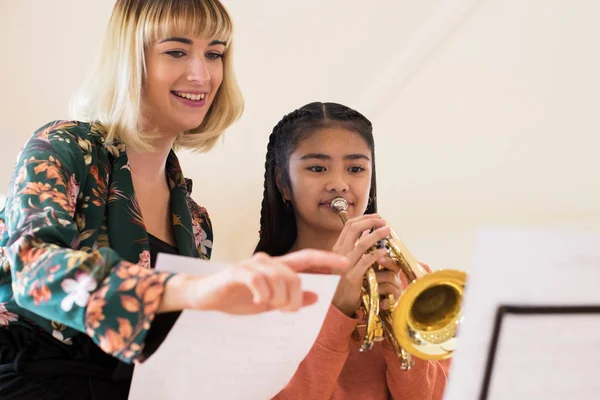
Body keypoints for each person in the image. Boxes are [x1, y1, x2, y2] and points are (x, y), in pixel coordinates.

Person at [0, 2, 348, 399]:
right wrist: (192, 290)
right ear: (131, 61)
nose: (201, 74)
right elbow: (31, 267)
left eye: (214, 54)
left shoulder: (196, 223)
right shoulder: (64, 147)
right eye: (176, 51)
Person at [255, 101, 450, 399]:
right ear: (283, 183)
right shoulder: (259, 288)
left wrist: (403, 331)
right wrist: (338, 309)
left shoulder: (414, 278)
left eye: (356, 168)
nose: (338, 184)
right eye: (317, 168)